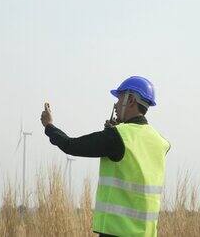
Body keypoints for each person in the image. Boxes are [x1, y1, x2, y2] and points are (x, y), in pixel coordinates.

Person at [40, 76, 170, 237]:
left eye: (119, 98)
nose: (115, 105)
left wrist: (49, 125)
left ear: (130, 100)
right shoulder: (159, 142)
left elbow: (70, 145)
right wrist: (116, 132)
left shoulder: (117, 136)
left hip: (117, 232)